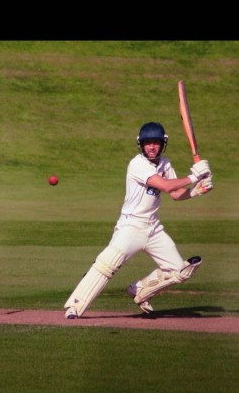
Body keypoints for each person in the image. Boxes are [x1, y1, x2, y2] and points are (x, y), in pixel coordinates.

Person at [64, 122, 213, 319]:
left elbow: (176, 194)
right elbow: (165, 186)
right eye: (147, 143)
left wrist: (197, 190)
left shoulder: (165, 164)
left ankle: (140, 290)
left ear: (163, 144)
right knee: (107, 264)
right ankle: (75, 305)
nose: (151, 147)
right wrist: (194, 176)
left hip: (153, 228)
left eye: (156, 143)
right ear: (140, 145)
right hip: (131, 226)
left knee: (179, 271)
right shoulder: (137, 164)